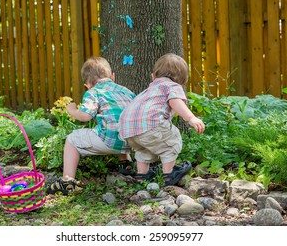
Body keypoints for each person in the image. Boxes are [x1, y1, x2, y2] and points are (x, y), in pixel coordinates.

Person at [46, 56, 136, 195]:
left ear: (87, 84)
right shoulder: (126, 91)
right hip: (134, 141)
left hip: (110, 141)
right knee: (119, 121)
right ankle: (125, 163)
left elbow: (85, 116)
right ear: (113, 76)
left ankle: (67, 181)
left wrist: (72, 110)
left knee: (72, 139)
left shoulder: (93, 92)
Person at [119, 53, 205, 186]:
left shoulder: (149, 89)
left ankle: (142, 176)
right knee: (172, 140)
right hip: (151, 125)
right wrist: (191, 118)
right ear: (182, 79)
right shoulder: (172, 86)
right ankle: (169, 174)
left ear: (153, 75)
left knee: (144, 149)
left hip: (128, 130)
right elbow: (174, 101)